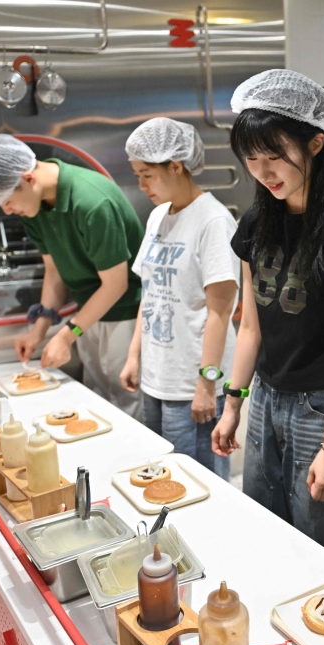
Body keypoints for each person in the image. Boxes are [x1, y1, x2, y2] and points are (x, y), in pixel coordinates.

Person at [212, 69, 324, 586]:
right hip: (267, 398)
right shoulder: (255, 222)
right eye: (252, 157)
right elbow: (250, 327)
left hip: (323, 405)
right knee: (267, 527)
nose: (263, 170)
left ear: (315, 144)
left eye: (275, 155)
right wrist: (233, 403)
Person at [0, 134, 144, 418]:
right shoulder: (34, 208)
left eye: (7, 201)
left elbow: (116, 284)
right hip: (89, 314)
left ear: (28, 178)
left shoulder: (92, 202)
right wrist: (40, 329)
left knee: (128, 403)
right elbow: (55, 270)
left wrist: (68, 335)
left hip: (127, 316)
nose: (7, 210)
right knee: (99, 403)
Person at [119, 118, 239, 479]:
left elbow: (220, 312)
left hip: (192, 383)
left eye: (147, 175)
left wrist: (207, 383)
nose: (141, 185)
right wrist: (133, 355)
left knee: (198, 480)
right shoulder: (158, 216)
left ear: (176, 166)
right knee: (161, 475)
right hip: (158, 377)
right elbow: (151, 293)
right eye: (137, 175)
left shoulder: (213, 221)